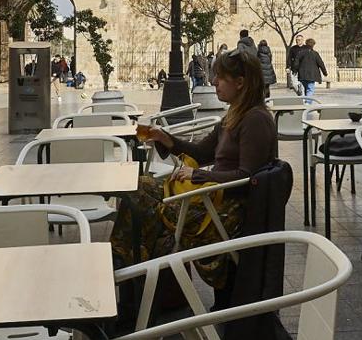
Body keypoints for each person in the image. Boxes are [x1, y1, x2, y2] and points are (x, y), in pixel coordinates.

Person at [110, 48, 277, 289]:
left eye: (220, 77)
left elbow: (246, 177)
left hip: (223, 212)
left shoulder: (256, 120)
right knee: (138, 187)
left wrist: (198, 174)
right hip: (210, 200)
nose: (214, 82)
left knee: (142, 204)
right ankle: (130, 272)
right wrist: (165, 138)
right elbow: (200, 153)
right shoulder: (235, 115)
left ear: (240, 82)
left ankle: (126, 274)